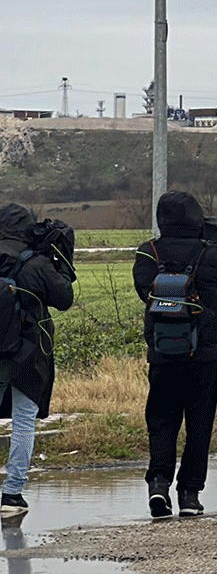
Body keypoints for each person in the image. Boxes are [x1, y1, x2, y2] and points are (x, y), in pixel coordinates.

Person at [132, 191, 217, 518]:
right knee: (199, 423)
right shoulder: (211, 253)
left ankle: (159, 486)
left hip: (163, 352)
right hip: (205, 354)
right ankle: (190, 495)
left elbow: (143, 292)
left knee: (162, 420)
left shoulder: (147, 252)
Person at [0, 204, 75, 518]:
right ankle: (12, 494)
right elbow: (65, 299)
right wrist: (60, 259)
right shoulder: (37, 263)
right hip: (30, 353)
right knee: (22, 423)